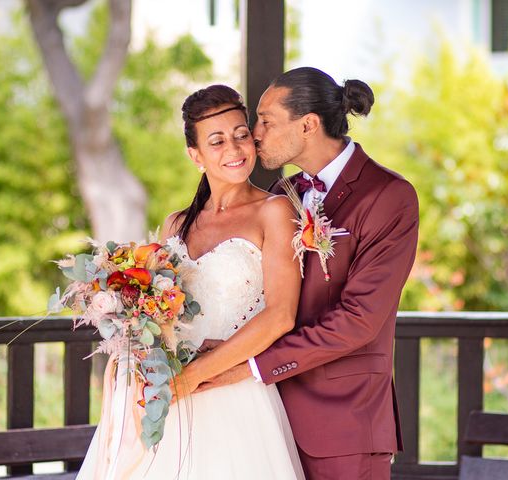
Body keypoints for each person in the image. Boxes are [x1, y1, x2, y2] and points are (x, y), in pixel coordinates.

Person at [196, 67, 419, 480]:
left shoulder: (389, 196)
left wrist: (250, 365)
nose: (254, 133)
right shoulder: (284, 196)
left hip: (343, 424)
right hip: (264, 423)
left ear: (308, 125)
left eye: (266, 121)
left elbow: (359, 320)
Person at [76, 85, 305, 479]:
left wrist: (197, 375)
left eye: (240, 134)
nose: (234, 150)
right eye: (216, 141)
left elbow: (281, 315)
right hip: (169, 394)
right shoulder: (176, 223)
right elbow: (161, 313)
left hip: (232, 395)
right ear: (195, 155)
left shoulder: (275, 211)